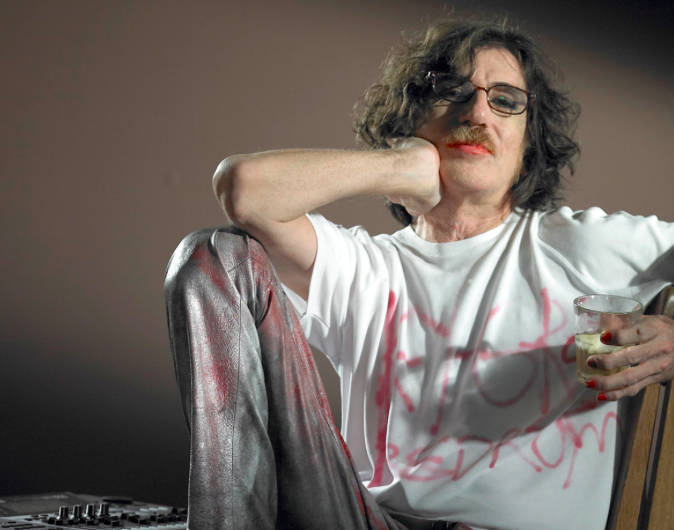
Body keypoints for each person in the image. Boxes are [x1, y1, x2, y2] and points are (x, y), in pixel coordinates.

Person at [164, 16, 674, 530]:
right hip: (367, 522)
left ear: (526, 150)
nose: (477, 111)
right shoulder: (366, 268)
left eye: (505, 100)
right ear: (410, 124)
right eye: (452, 91)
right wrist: (399, 168)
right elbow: (243, 189)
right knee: (211, 254)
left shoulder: (577, 245)